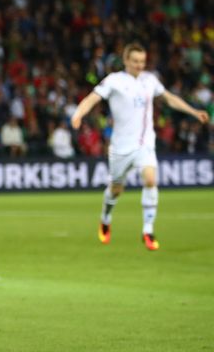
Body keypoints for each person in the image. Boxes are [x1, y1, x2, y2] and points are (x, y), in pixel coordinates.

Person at [70, 42, 209, 251]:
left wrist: (193, 111)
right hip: (120, 147)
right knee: (116, 190)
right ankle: (105, 218)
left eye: (142, 61)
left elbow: (169, 98)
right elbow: (92, 98)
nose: (139, 65)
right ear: (126, 60)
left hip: (145, 143)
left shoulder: (149, 80)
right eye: (135, 61)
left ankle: (148, 230)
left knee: (151, 180)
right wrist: (78, 114)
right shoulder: (114, 81)